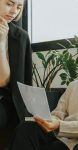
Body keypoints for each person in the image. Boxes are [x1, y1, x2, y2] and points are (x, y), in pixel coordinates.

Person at [0, 0, 32, 149]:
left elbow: (3, 80)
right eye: (9, 4)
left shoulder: (21, 37)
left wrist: (1, 45)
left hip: (8, 103)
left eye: (19, 7)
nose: (14, 11)